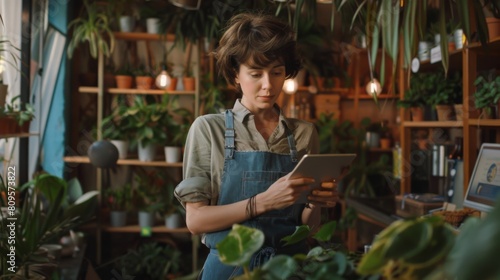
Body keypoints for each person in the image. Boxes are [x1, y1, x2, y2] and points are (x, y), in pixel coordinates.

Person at [174, 12, 339, 279]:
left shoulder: (304, 134)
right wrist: (262, 202)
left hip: (288, 271)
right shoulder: (209, 129)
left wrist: (315, 203)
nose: (268, 85)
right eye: (255, 73)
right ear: (235, 74)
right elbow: (196, 221)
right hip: (230, 271)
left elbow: (309, 229)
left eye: (277, 73)